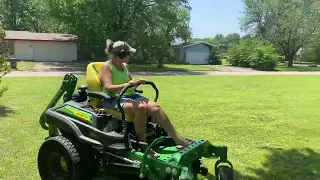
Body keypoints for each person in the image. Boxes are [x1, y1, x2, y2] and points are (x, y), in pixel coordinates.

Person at [99, 39, 190, 157]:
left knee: (156, 107)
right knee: (141, 107)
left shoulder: (125, 66)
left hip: (129, 95)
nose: (130, 56)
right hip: (112, 98)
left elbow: (130, 82)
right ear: (121, 55)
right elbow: (109, 87)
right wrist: (128, 85)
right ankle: (142, 144)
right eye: (129, 54)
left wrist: (137, 82)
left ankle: (178, 139)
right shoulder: (107, 66)